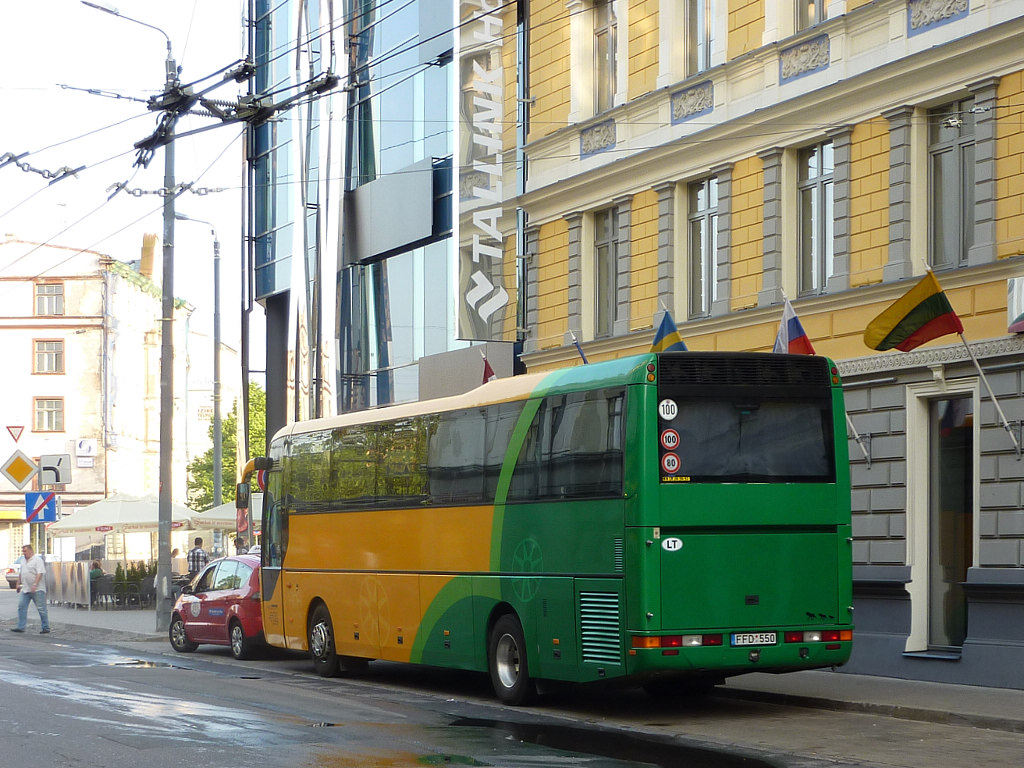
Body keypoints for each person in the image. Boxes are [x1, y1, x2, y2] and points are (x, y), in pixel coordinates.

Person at [11, 544, 50, 634]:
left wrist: (35, 584)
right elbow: (22, 572)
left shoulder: (37, 560)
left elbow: (39, 573)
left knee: (41, 608)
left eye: (25, 551)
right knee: (22, 607)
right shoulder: (23, 560)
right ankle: (21, 626)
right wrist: (18, 584)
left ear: (31, 551)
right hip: (26, 588)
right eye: (23, 551)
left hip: (37, 589)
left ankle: (45, 627)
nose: (24, 553)